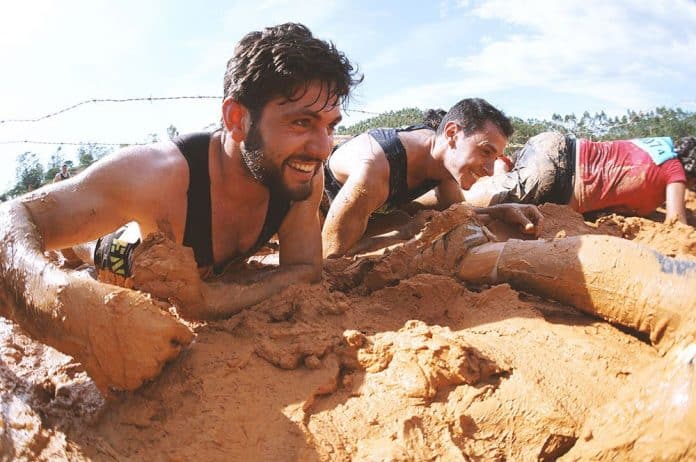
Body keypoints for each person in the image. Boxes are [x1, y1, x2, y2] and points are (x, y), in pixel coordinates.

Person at [0, 23, 361, 393]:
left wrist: (209, 299)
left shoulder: (300, 174)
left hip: (199, 261)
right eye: (301, 122)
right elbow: (8, 220)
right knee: (104, 251)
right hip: (127, 246)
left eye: (330, 127)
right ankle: (79, 245)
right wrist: (66, 306)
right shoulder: (157, 175)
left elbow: (305, 269)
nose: (323, 148)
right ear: (237, 119)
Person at [321, 98, 544, 257]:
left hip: (373, 210)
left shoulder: (444, 163)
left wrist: (501, 211)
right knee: (402, 221)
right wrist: (406, 233)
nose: (490, 169)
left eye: (495, 158)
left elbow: (455, 212)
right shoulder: (374, 169)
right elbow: (331, 252)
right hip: (319, 210)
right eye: (485, 151)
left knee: (414, 216)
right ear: (452, 134)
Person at [464, 132, 696, 224]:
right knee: (468, 202)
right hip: (559, 178)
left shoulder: (659, 146)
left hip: (555, 143)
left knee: (511, 180)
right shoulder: (675, 171)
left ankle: (502, 168)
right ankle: (495, 180)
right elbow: (676, 225)